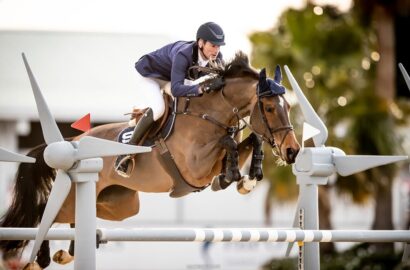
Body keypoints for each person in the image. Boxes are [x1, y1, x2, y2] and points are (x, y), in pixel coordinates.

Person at [115, 22, 227, 177]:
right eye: (213, 46)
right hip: (149, 75)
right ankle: (126, 153)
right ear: (201, 43)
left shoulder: (217, 58)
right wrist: (202, 88)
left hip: (169, 78)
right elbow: (176, 89)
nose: (216, 50)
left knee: (189, 102)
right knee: (159, 108)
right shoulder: (184, 54)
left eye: (219, 46)